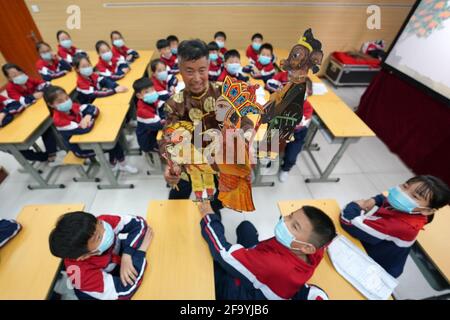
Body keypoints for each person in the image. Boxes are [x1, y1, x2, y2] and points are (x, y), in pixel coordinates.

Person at [198, 201, 336, 300]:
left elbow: (223, 252)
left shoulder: (273, 264)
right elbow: (327, 240)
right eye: (290, 215)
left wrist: (209, 217)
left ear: (307, 248)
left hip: (243, 293)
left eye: (294, 226)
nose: (284, 221)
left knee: (209, 261)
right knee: (246, 227)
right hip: (263, 260)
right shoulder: (315, 251)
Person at [341, 175, 450, 278]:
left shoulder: (400, 226)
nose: (402, 193)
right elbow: (386, 197)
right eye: (405, 186)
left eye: (414, 196)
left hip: (376, 266)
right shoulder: (406, 206)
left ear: (427, 211)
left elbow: (348, 221)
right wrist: (375, 200)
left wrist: (355, 206)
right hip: (372, 245)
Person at [49, 211, 152, 300]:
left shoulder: (95, 225)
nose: (105, 229)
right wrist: (140, 252)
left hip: (118, 264)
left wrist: (127, 254)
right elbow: (125, 291)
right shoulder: (81, 275)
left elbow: (139, 223)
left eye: (100, 223)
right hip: (102, 291)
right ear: (84, 256)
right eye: (98, 237)